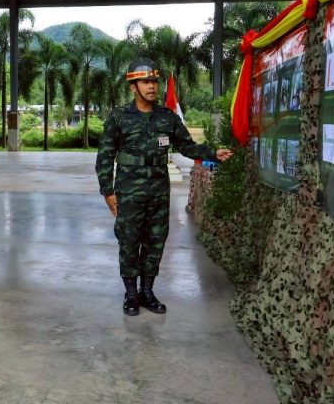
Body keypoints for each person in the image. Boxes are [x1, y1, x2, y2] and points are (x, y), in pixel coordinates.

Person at [95, 58, 233, 316]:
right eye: (145, 82)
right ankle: (131, 294)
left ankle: (148, 291)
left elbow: (187, 146)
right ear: (133, 86)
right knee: (129, 241)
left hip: (158, 191)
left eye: (154, 82)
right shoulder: (119, 117)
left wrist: (213, 153)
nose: (151, 87)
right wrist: (108, 190)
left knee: (155, 241)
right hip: (129, 191)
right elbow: (105, 156)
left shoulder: (166, 118)